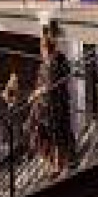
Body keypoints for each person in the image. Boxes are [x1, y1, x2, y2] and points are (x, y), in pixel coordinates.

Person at [27, 30, 75, 173]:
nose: (43, 52)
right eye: (43, 48)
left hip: (55, 104)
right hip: (47, 105)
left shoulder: (57, 61)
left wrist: (36, 93)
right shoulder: (46, 64)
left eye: (44, 48)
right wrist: (36, 95)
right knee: (49, 133)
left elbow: (50, 84)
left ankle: (60, 163)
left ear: (48, 48)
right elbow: (41, 83)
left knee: (57, 133)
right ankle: (56, 162)